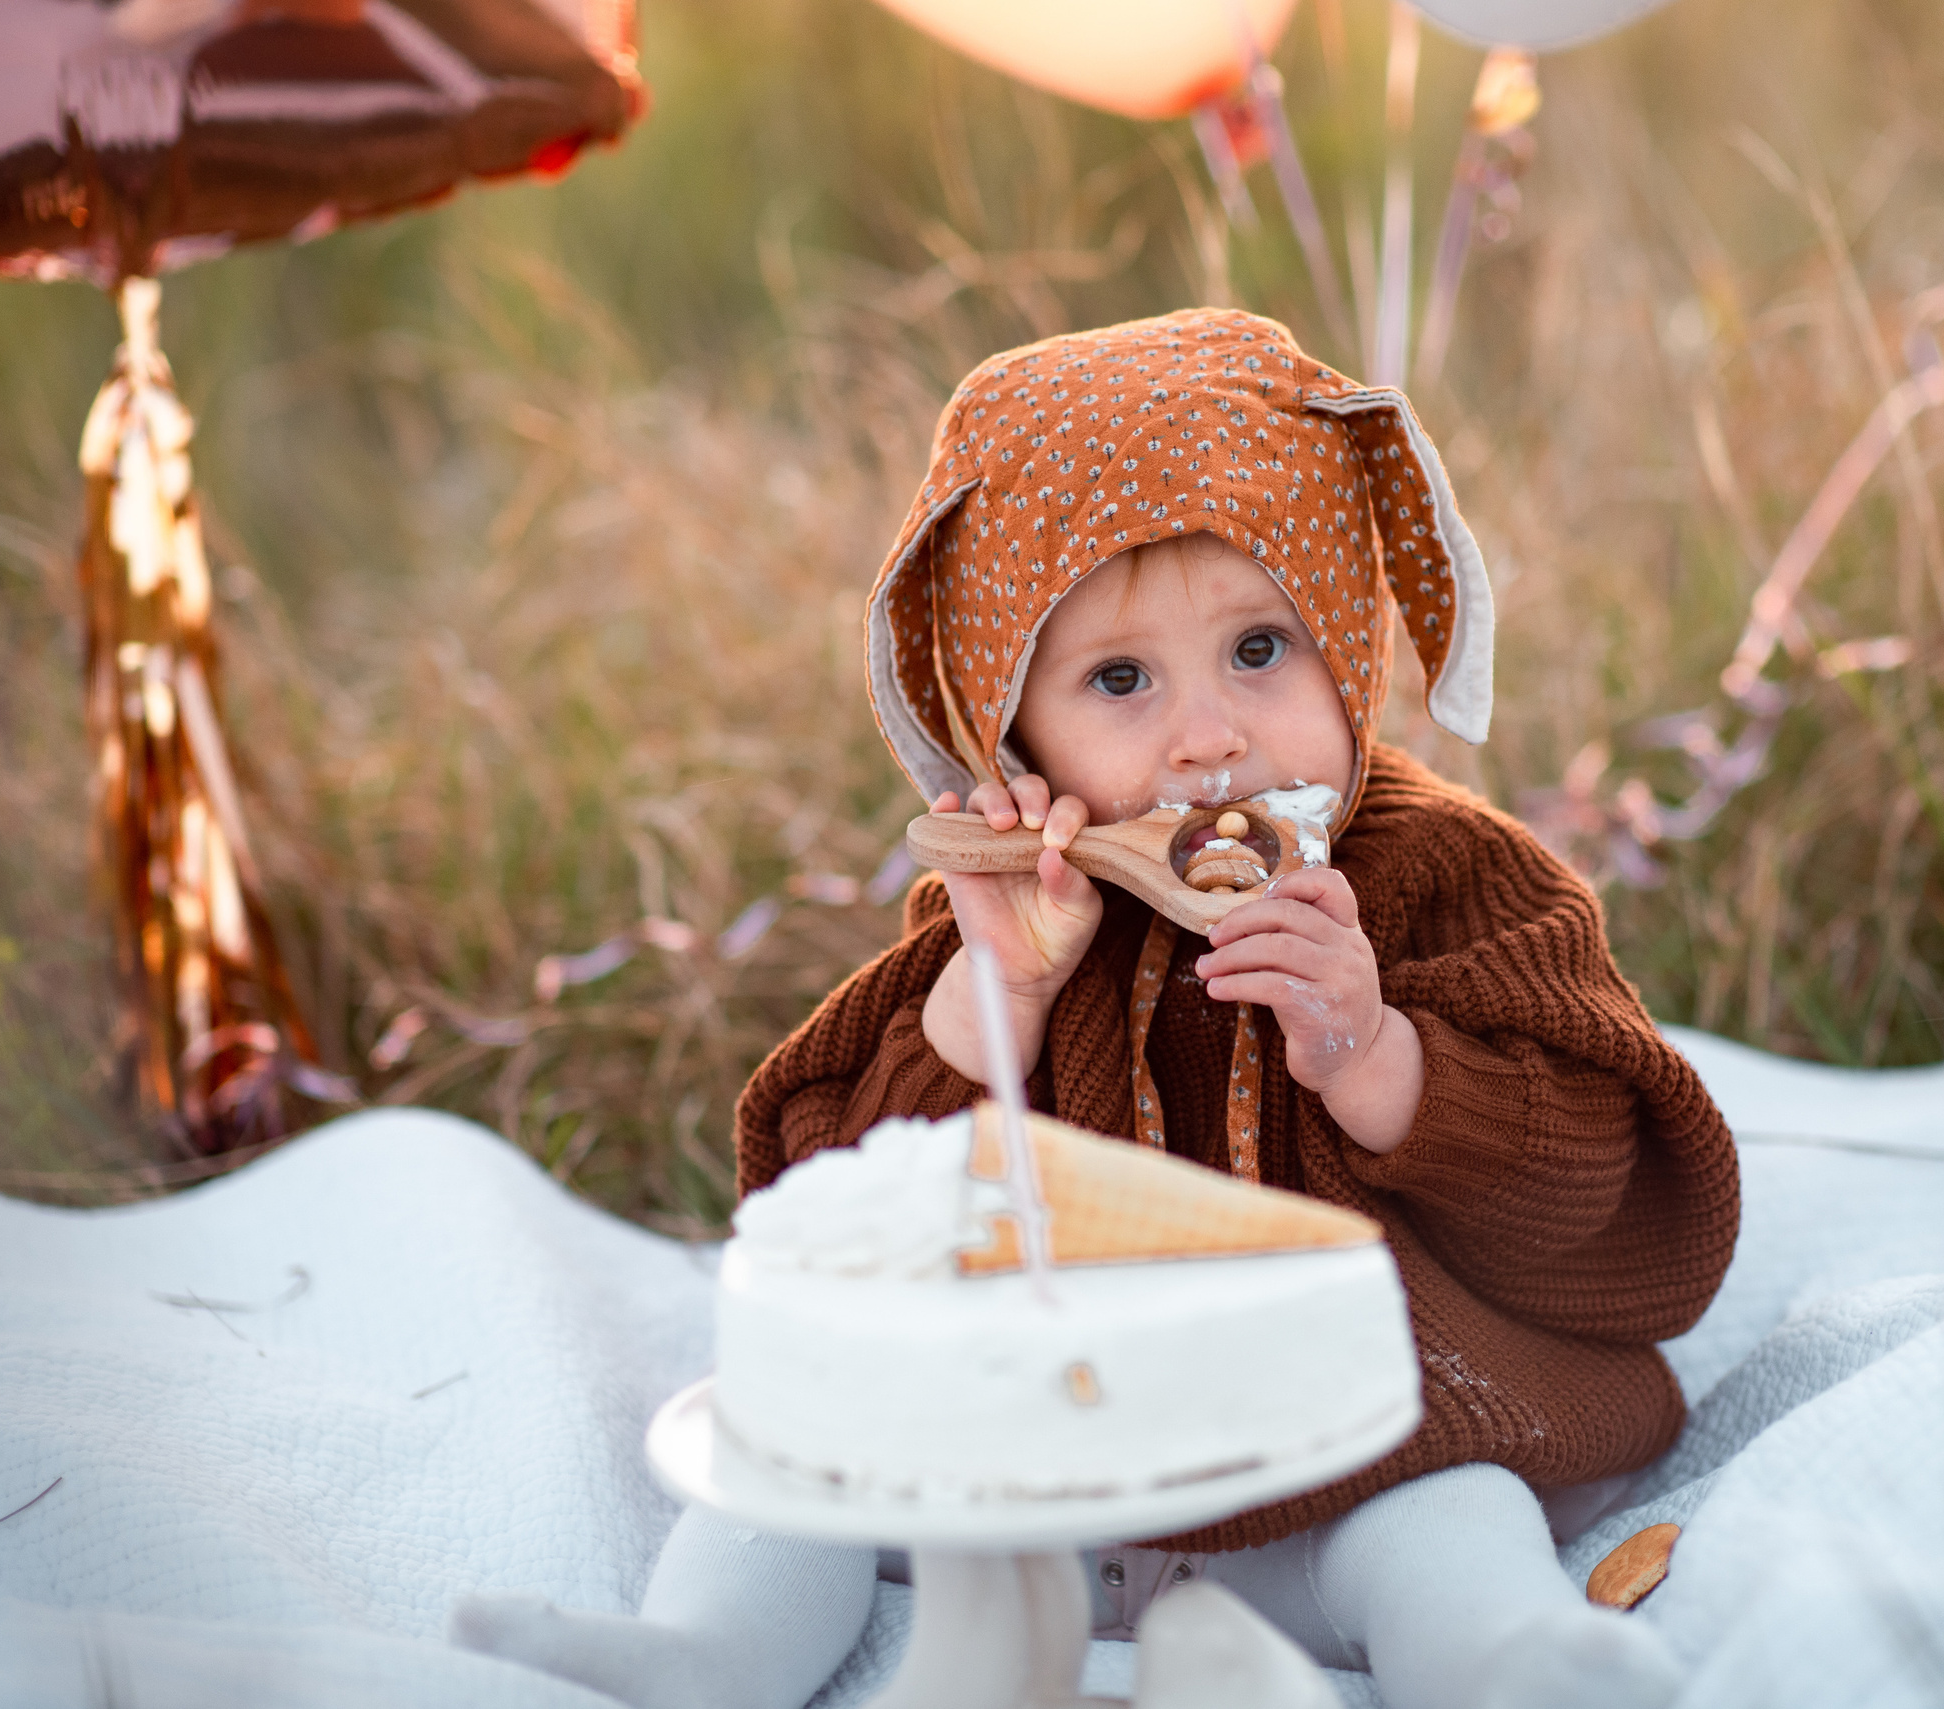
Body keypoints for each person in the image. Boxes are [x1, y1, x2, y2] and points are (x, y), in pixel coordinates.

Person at [452, 309, 1740, 1709]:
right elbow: (839, 1219)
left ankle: (1510, 1660)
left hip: (1341, 1464)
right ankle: (702, 1658)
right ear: (1009, 724)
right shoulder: (1012, 909)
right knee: (791, 1450)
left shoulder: (1449, 877)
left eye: (1263, 648)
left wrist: (1382, 1060)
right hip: (1033, 1481)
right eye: (1120, 681)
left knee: (1453, 1520)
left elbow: (1616, 1191)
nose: (1208, 736)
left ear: (1351, 643)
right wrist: (995, 994)